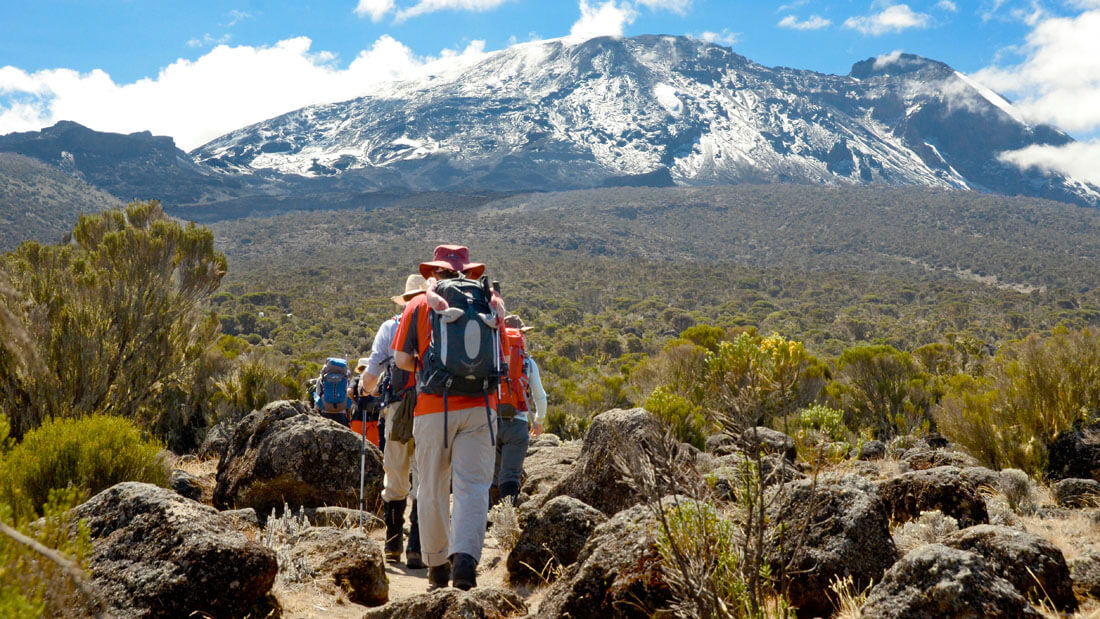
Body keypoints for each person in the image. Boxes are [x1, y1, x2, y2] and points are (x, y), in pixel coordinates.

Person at [393, 244, 501, 591]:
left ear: (434, 272)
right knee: (473, 486)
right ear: (467, 271)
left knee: (432, 487)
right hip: (481, 406)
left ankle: (437, 566)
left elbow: (401, 360)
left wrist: (429, 369)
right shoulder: (487, 301)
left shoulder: (418, 304)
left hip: (433, 408)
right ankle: (465, 564)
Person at [359, 274, 428, 568]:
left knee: (396, 474)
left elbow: (373, 371)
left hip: (397, 409)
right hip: (429, 409)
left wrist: (363, 389)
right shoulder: (435, 325)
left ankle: (392, 544)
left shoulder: (391, 327)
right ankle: (417, 548)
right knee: (423, 478)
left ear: (404, 301)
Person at [492, 314, 548, 508]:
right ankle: (507, 516)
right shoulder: (527, 362)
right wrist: (539, 421)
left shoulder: (491, 357)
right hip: (517, 424)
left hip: (490, 422)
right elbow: (540, 396)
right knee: (510, 475)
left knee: (492, 474)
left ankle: (488, 518)